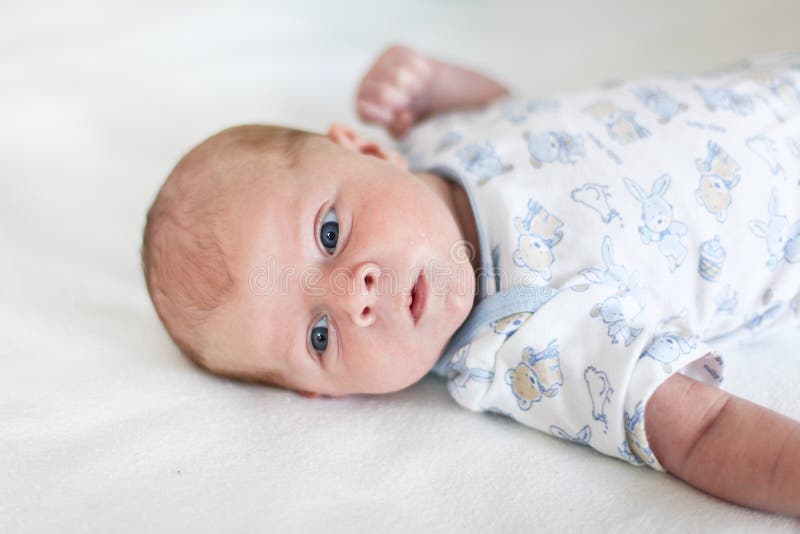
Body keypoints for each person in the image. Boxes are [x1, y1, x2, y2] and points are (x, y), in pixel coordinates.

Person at [142, 46, 800, 515]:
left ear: (368, 150)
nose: (355, 295)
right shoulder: (525, 345)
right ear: (326, 395)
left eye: (330, 235)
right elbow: (701, 432)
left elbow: (516, 112)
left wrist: (434, 83)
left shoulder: (439, 142)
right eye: (318, 336)